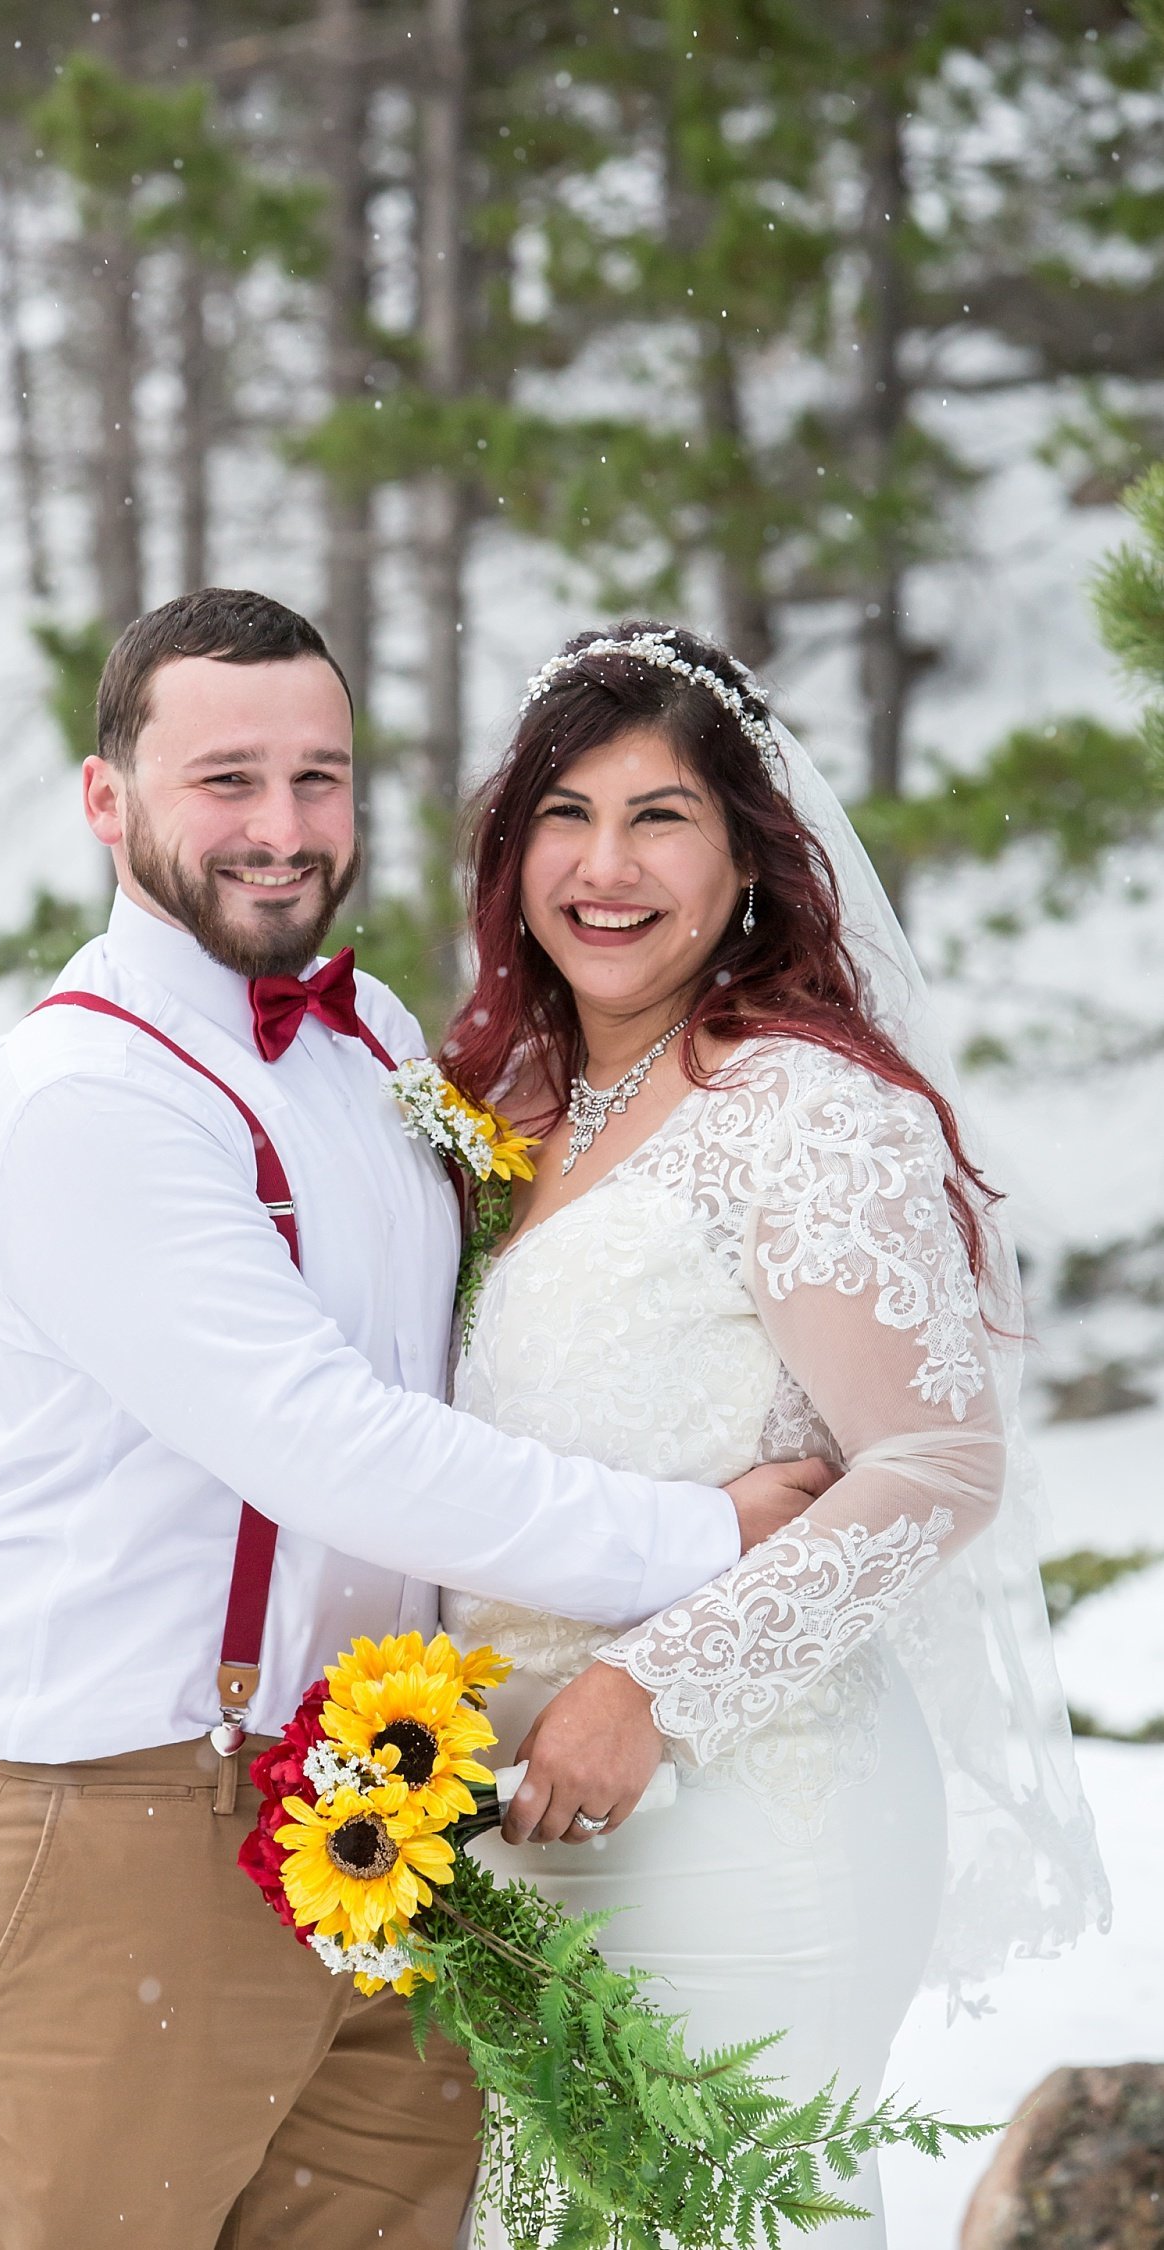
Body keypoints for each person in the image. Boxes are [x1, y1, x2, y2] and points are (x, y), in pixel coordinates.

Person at [0, 589, 831, 2250]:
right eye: (225, 778)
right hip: (110, 1828)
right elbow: (329, 1442)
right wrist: (701, 1533)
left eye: (321, 777)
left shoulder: (371, 1036)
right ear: (109, 801)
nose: (283, 827)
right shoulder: (89, 1099)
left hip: (375, 1826)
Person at [440, 621, 1111, 2248]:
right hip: (517, 1834)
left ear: (750, 856)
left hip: (749, 1804)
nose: (608, 865)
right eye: (567, 814)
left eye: (661, 816)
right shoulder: (513, 1105)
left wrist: (647, 1690)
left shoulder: (801, 1111)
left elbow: (937, 1469)